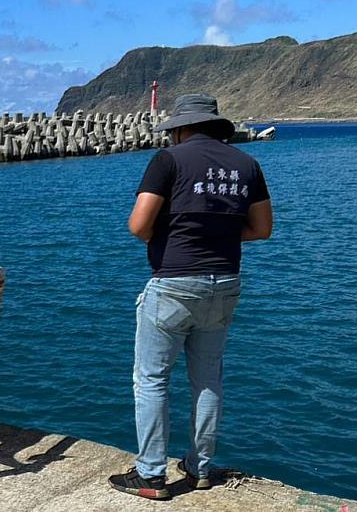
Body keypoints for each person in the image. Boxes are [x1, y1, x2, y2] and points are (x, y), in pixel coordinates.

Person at [108, 94, 273, 500]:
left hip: (174, 283)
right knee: (208, 379)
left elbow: (138, 224)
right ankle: (200, 468)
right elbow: (262, 228)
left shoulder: (169, 160)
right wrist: (216, 236)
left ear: (181, 128)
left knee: (150, 380)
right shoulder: (247, 164)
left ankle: (150, 476)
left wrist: (168, 238)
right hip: (225, 284)